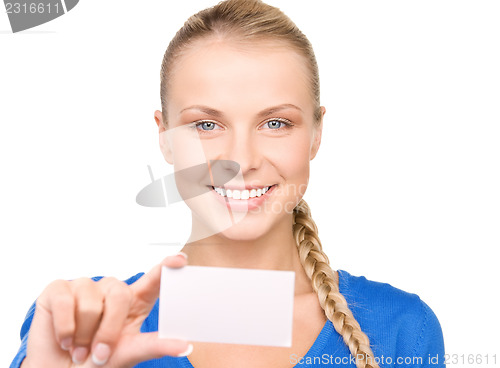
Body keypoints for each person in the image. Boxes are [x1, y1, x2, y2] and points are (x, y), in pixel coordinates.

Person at [11, 0, 445, 367]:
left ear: (316, 133)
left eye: (276, 123)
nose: (241, 161)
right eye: (205, 124)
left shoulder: (402, 331)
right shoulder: (80, 328)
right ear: (164, 137)